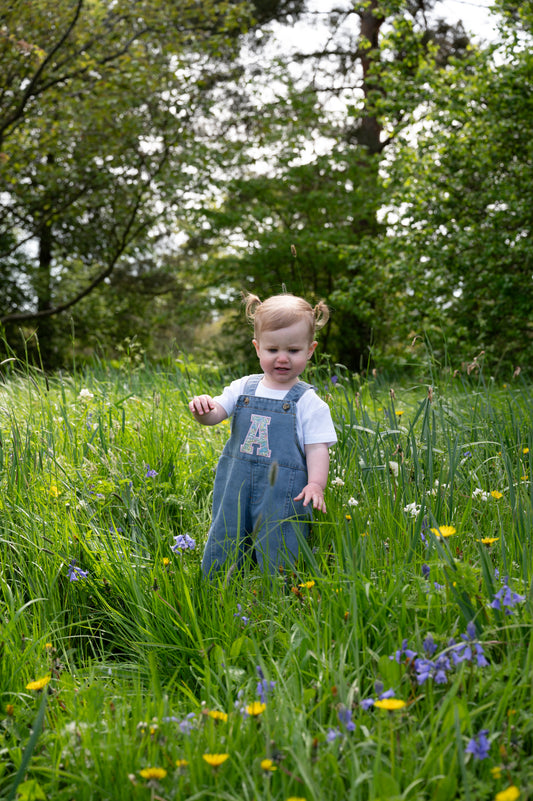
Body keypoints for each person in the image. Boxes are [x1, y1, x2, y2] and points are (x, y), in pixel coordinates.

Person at [189, 292, 337, 577]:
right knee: (226, 529)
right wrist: (203, 410)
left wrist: (316, 484)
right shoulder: (244, 386)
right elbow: (216, 414)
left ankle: (278, 588)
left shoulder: (308, 402)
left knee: (280, 535)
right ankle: (217, 584)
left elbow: (317, 448)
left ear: (310, 350)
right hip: (236, 483)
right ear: (258, 348)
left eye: (293, 351)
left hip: (283, 490)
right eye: (272, 350)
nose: (282, 358)